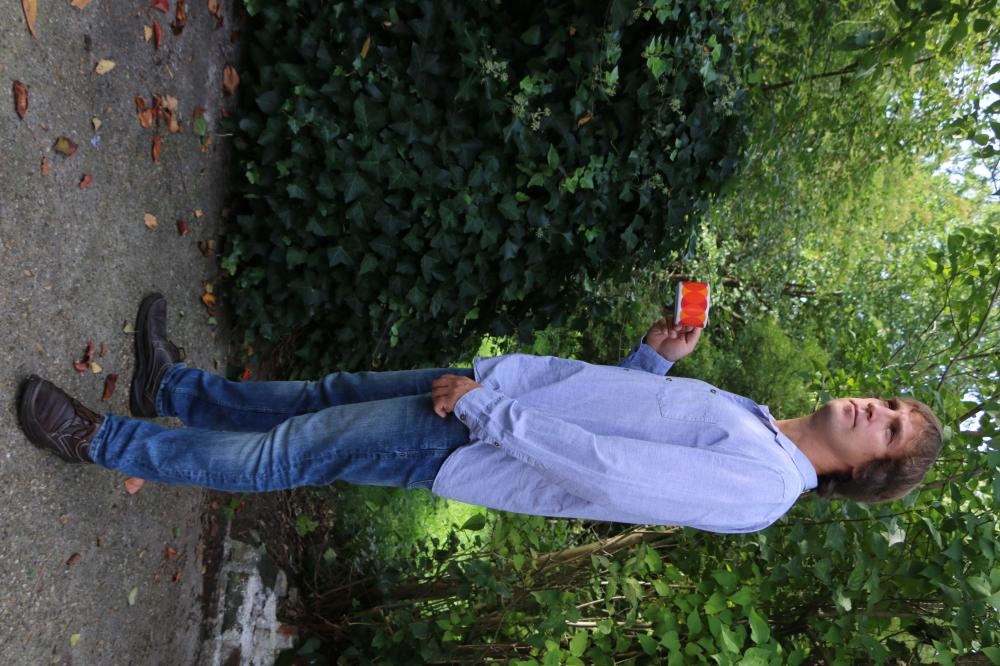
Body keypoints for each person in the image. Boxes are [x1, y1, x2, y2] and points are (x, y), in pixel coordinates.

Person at [17, 293, 942, 534]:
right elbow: (625, 421)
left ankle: (100, 442)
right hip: (488, 397)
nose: (877, 408)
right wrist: (652, 360)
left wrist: (493, 416)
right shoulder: (762, 425)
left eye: (889, 427)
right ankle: (173, 393)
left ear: (867, 470)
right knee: (320, 397)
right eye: (892, 403)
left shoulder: (763, 490)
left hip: (475, 433)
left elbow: (610, 475)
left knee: (291, 452)